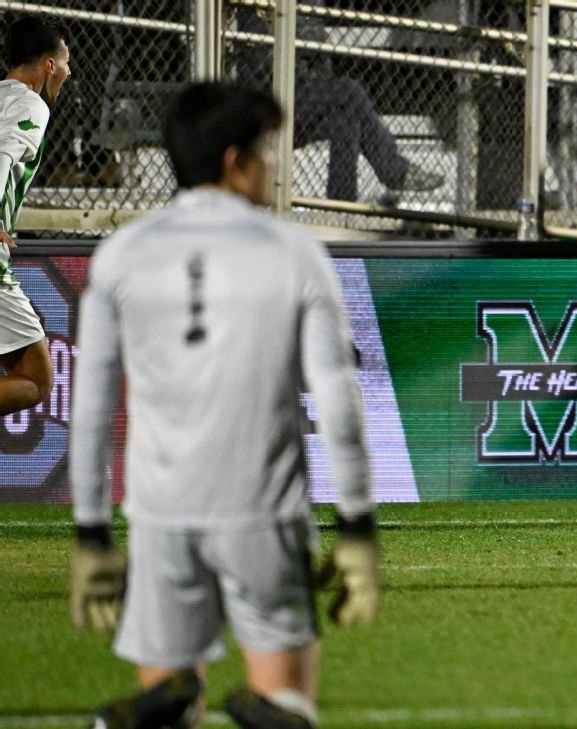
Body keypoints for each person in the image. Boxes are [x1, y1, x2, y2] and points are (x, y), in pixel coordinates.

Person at [68, 82, 379, 729]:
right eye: (267, 150)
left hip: (161, 518)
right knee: (287, 704)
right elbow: (339, 401)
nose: (273, 165)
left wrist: (91, 533)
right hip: (263, 514)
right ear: (235, 160)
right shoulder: (295, 252)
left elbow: (92, 407)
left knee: (172, 704)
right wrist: (357, 529)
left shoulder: (122, 253)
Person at [234, 9, 441, 205]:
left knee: (345, 116)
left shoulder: (309, 6)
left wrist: (306, 47)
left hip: (300, 98)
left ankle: (341, 203)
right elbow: (264, 63)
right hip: (267, 105)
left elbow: (322, 62)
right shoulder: (256, 7)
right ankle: (395, 170)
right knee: (350, 91)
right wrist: (309, 44)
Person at [0, 14, 67, 418]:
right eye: (66, 61)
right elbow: (4, 155)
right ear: (49, 65)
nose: (69, 71)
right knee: (36, 380)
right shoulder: (29, 105)